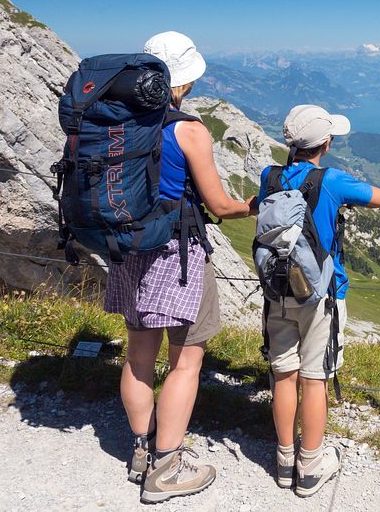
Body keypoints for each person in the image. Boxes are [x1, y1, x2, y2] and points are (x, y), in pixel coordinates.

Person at [104, 31, 257, 504]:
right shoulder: (187, 129)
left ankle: (141, 451)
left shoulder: (115, 123)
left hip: (128, 249)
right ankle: (167, 467)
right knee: (186, 359)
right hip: (177, 254)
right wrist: (257, 204)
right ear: (183, 80)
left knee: (138, 354)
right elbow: (220, 205)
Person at [259, 105, 380, 497]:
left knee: (283, 374)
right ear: (326, 143)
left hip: (277, 290)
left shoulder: (270, 175)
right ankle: (311, 465)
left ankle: (284, 461)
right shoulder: (331, 180)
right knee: (314, 378)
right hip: (321, 295)